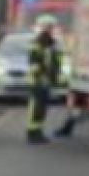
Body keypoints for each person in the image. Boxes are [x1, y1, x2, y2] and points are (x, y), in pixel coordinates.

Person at [26, 15, 64, 145]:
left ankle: (38, 131)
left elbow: (55, 62)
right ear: (42, 27)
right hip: (37, 81)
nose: (50, 28)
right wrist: (40, 77)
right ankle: (32, 133)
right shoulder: (37, 42)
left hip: (47, 80)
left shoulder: (51, 42)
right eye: (48, 26)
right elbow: (34, 63)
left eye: (52, 26)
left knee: (42, 108)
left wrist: (55, 77)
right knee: (36, 108)